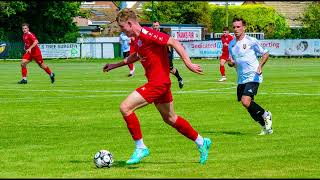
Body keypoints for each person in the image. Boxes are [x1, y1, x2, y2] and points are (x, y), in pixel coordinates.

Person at [103, 8, 212, 165]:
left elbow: (173, 42)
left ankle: (140, 147)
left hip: (158, 83)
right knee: (170, 118)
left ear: (129, 23)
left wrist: (188, 64)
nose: (122, 31)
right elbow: (136, 56)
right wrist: (115, 65)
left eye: (122, 27)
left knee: (125, 108)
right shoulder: (137, 39)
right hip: (161, 83)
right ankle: (202, 142)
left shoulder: (148, 33)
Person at [228, 17, 273, 135]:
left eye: (238, 27)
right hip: (241, 78)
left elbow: (265, 53)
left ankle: (266, 114)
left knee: (245, 101)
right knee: (248, 106)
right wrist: (230, 63)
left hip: (253, 75)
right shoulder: (231, 44)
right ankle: (265, 127)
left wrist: (260, 66)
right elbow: (232, 62)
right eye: (234, 27)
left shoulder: (251, 41)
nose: (236, 29)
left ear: (244, 28)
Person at [152, 20, 184, 89]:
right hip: (157, 55)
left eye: (156, 25)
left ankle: (179, 78)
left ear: (159, 26)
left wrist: (169, 53)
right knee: (157, 69)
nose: (155, 27)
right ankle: (159, 84)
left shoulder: (163, 33)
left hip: (166, 54)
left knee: (171, 69)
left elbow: (171, 43)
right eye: (154, 26)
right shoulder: (151, 34)